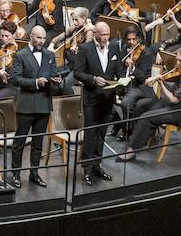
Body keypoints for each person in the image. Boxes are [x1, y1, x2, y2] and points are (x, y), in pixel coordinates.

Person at [118, 49, 181, 160]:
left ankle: (131, 150)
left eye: (180, 61)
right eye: (177, 60)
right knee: (147, 107)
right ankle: (144, 138)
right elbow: (173, 81)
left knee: (147, 117)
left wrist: (161, 83)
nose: (177, 63)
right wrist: (157, 78)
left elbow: (173, 99)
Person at [72, 22, 121, 186]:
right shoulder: (85, 49)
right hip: (92, 98)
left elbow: (118, 71)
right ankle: (87, 168)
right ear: (95, 34)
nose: (105, 38)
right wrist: (92, 79)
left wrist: (123, 79)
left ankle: (97, 165)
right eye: (102, 35)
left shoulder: (114, 48)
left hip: (108, 98)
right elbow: (77, 73)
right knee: (90, 134)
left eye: (107, 34)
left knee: (101, 133)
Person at [11, 25, 60, 188]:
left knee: (38, 143)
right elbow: (15, 79)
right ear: (31, 36)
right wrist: (35, 82)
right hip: (25, 105)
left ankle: (34, 173)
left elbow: (54, 73)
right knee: (19, 142)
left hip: (43, 104)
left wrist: (57, 79)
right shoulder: (20, 55)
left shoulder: (49, 55)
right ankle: (16, 174)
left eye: (44, 38)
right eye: (39, 38)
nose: (42, 41)